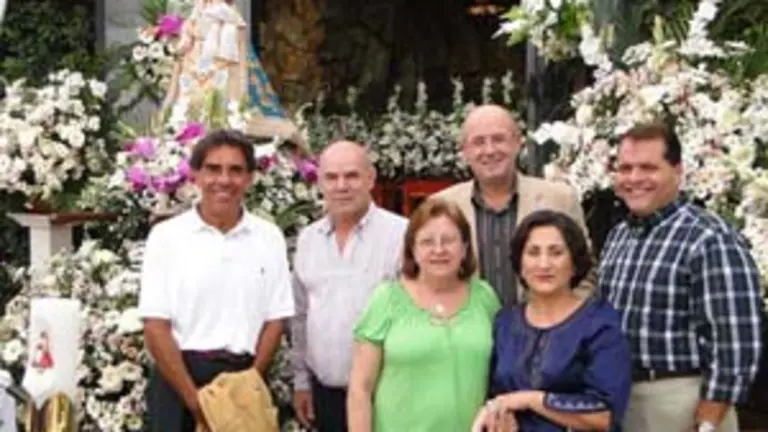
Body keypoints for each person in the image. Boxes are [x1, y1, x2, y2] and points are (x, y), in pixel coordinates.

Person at [599, 122, 764, 432]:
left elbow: (735, 340)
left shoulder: (709, 238)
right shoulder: (619, 236)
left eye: (648, 167)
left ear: (678, 171)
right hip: (622, 399)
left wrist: (709, 421)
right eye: (625, 168)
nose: (634, 178)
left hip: (683, 403)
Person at [138, 129, 294, 432]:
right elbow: (156, 327)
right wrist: (199, 403)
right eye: (213, 169)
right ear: (195, 175)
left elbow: (275, 321)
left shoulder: (268, 237)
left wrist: (245, 389)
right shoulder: (167, 237)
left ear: (250, 178)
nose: (224, 180)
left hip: (244, 383)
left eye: (235, 170)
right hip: (178, 384)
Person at [347, 198, 501, 432]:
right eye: (427, 242)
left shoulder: (484, 297)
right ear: (412, 249)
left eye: (448, 240)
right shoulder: (386, 299)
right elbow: (360, 389)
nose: (439, 250)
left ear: (465, 247)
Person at [472, 210, 632, 432]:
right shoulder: (505, 323)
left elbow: (605, 414)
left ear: (574, 263)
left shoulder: (599, 324)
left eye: (556, 253)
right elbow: (495, 397)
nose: (544, 264)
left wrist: (528, 400)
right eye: (533, 253)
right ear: (520, 264)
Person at [291, 140, 408, 431]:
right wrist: (301, 382)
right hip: (326, 395)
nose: (342, 186)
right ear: (319, 183)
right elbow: (300, 315)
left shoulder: (402, 235)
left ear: (371, 179)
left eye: (352, 176)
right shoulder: (308, 240)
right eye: (331, 177)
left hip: (387, 395)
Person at [434, 104, 592, 306]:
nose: (489, 150)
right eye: (479, 142)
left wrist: (565, 323)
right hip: (468, 334)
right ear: (465, 151)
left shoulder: (560, 199)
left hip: (545, 331)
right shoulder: (442, 206)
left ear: (518, 143)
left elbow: (585, 273)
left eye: (499, 139)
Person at [161, 0, 308, 152]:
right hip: (193, 69)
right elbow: (185, 42)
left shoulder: (228, 17)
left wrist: (210, 70)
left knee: (214, 113)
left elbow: (229, 57)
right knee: (185, 112)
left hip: (216, 72)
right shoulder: (197, 10)